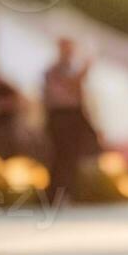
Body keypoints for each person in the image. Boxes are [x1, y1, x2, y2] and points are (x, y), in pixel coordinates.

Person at [44, 38, 97, 197]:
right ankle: (55, 192)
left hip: (73, 115)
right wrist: (85, 69)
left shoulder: (68, 70)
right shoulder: (55, 71)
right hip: (60, 117)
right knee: (61, 155)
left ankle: (72, 190)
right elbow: (70, 85)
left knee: (75, 154)